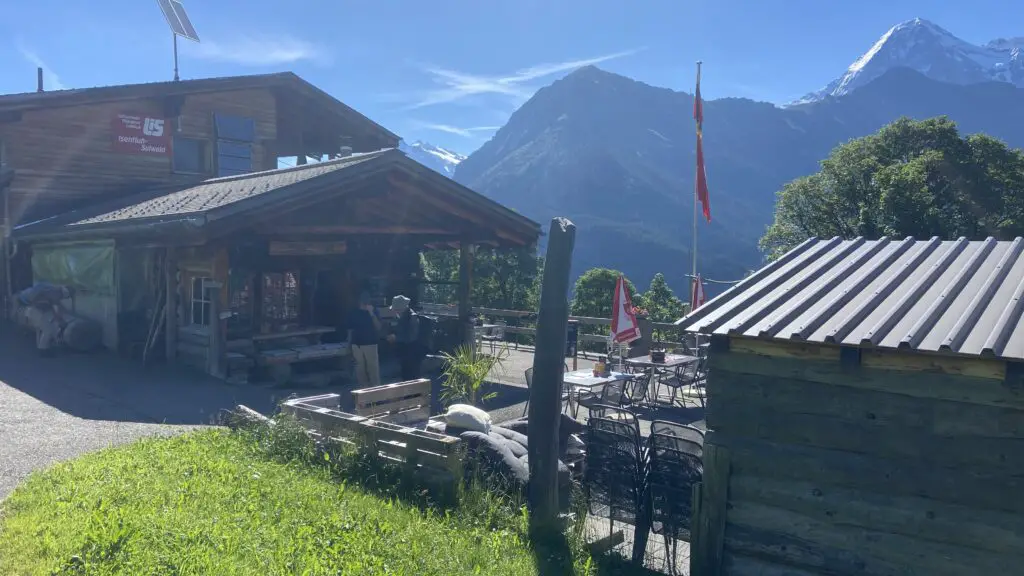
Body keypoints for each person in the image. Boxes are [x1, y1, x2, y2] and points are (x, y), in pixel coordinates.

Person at [16, 282, 72, 356]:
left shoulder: (51, 291)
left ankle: (42, 348)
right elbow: (56, 309)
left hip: (31, 310)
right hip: (35, 311)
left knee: (43, 329)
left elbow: (55, 308)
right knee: (47, 330)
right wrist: (61, 320)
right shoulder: (55, 294)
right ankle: (43, 350)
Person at [346, 292, 382, 388]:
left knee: (373, 369)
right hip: (356, 344)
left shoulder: (374, 311)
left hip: (370, 344)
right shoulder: (353, 312)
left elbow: (378, 327)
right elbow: (350, 330)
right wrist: (349, 345)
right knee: (360, 370)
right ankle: (364, 391)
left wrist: (371, 314)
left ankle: (376, 390)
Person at [386, 294, 425, 380]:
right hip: (404, 352)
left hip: (412, 353)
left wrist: (396, 337)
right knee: (405, 375)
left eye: (396, 309)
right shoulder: (400, 316)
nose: (395, 311)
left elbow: (412, 336)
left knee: (412, 377)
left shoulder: (412, 317)